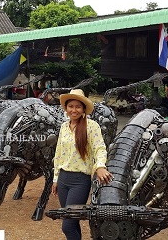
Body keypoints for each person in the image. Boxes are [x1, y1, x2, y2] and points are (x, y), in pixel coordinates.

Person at [51, 89, 113, 240]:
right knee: (73, 222)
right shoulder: (64, 127)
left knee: (67, 225)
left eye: (78, 106)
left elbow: (100, 148)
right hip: (63, 179)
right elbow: (58, 154)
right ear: (66, 108)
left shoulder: (92, 126)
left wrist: (100, 166)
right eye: (71, 106)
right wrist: (55, 179)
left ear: (84, 109)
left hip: (80, 181)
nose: (74, 110)